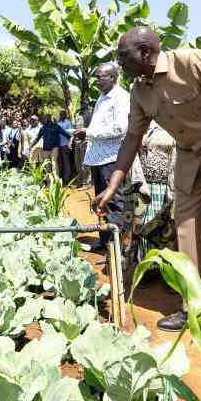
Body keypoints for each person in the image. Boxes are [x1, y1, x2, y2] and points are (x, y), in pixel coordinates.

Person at [94, 26, 201, 331]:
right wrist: (112, 186)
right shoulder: (139, 91)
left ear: (145, 52)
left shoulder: (192, 62)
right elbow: (132, 138)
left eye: (123, 56)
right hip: (188, 154)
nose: (120, 63)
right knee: (186, 231)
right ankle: (195, 308)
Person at [76, 63, 147, 256]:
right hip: (99, 159)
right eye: (96, 77)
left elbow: (121, 128)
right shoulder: (102, 97)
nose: (96, 81)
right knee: (103, 203)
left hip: (112, 159)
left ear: (113, 78)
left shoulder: (121, 98)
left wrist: (89, 133)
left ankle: (115, 250)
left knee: (115, 203)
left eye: (100, 77)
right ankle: (105, 241)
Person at [138, 123, 177, 255]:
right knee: (143, 226)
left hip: (166, 189)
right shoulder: (140, 123)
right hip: (144, 188)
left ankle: (163, 263)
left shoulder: (173, 126)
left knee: (164, 228)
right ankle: (146, 260)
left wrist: (172, 193)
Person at [71, 115, 91, 187]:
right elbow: (73, 134)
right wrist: (71, 141)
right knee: (78, 164)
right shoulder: (75, 128)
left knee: (84, 164)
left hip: (84, 144)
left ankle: (86, 182)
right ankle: (80, 182)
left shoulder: (85, 128)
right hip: (77, 145)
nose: (77, 123)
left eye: (78, 122)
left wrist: (77, 132)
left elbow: (84, 132)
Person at [57, 111, 74, 184]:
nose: (61, 115)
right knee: (60, 162)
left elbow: (70, 133)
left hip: (65, 144)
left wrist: (69, 144)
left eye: (62, 114)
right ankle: (61, 177)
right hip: (58, 145)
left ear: (65, 115)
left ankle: (67, 177)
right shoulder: (58, 123)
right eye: (60, 114)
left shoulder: (68, 123)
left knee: (66, 161)